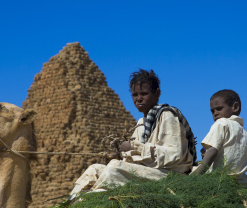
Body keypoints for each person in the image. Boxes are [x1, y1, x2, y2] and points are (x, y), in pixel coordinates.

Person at [68, 69, 196, 198]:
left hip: (171, 174)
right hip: (149, 171)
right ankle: (68, 207)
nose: (139, 99)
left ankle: (88, 201)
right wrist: (121, 156)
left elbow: (174, 155)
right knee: (94, 169)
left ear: (157, 93)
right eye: (135, 95)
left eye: (144, 94)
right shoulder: (141, 123)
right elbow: (138, 159)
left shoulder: (167, 116)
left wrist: (134, 147)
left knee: (114, 168)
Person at [191, 89, 247, 186]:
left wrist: (197, 177)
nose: (215, 113)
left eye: (219, 108)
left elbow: (212, 151)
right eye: (212, 111)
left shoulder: (221, 123)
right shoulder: (243, 132)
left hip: (218, 179)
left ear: (235, 107)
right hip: (240, 181)